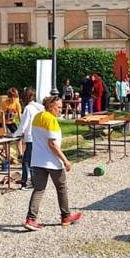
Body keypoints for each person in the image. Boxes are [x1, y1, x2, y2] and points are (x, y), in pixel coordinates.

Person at [23, 96, 82, 231]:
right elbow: (53, 144)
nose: (60, 110)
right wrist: (65, 160)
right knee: (61, 188)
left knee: (38, 189)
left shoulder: (37, 117)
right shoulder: (51, 120)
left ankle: (30, 219)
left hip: (37, 160)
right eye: (58, 107)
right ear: (50, 106)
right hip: (52, 161)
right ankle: (65, 216)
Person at [14, 87, 44, 190]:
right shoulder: (39, 107)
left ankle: (26, 182)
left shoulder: (28, 108)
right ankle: (33, 181)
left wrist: (14, 135)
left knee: (26, 161)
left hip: (31, 137)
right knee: (34, 160)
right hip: (38, 137)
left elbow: (23, 125)